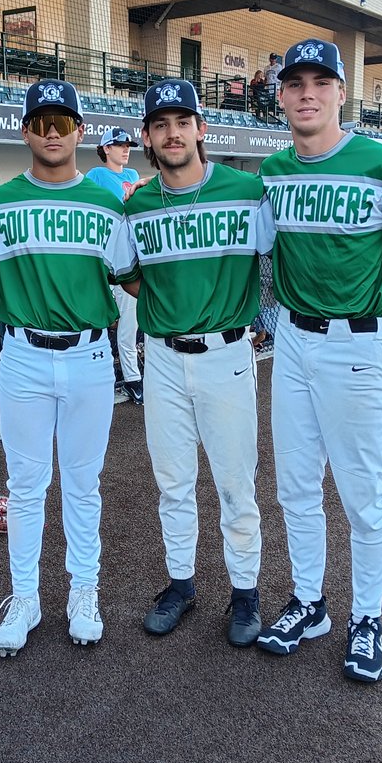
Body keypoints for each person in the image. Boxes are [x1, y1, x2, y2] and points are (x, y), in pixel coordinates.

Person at [254, 38, 382, 683]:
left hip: (359, 342)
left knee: (363, 495)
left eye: (320, 82)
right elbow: (263, 258)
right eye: (295, 83)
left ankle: (367, 617)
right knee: (297, 488)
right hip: (295, 343)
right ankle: (310, 603)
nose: (307, 93)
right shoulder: (274, 174)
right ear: (280, 96)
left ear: (339, 93)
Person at [0, 79, 137, 657]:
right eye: (41, 121)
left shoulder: (105, 203)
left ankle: (83, 591)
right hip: (22, 354)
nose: (51, 131)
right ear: (25, 129)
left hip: (91, 354)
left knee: (83, 483)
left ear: (80, 130)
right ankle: (25, 595)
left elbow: (130, 277)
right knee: (25, 486)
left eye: (62, 121)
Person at [116, 79, 268, 648]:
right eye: (160, 125)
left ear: (201, 128)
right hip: (162, 355)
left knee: (235, 483)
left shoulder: (247, 191)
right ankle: (181, 583)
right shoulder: (139, 203)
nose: (172, 133)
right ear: (148, 138)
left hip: (226, 352)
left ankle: (246, 592)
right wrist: (163, 304)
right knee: (173, 481)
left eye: (182, 122)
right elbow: (129, 274)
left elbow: (276, 254)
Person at [85, 126, 144, 405]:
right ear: (106, 148)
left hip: (127, 258)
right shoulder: (96, 175)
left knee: (128, 327)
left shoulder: (133, 176)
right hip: (101, 261)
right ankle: (100, 378)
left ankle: (133, 379)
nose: (126, 150)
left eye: (128, 145)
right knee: (96, 324)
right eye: (120, 145)